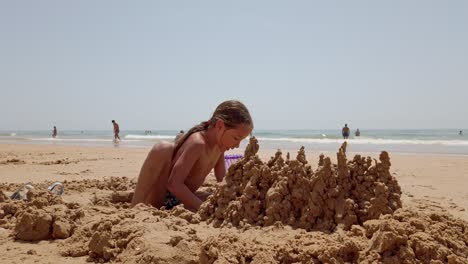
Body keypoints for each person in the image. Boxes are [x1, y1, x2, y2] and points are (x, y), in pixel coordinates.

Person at [131, 100, 253, 212]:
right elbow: (173, 184)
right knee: (163, 148)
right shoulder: (198, 143)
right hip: (163, 200)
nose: (237, 145)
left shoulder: (219, 148)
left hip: (182, 199)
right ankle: (135, 205)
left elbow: (222, 181)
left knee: (215, 197)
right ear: (220, 126)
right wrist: (203, 208)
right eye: (236, 138)